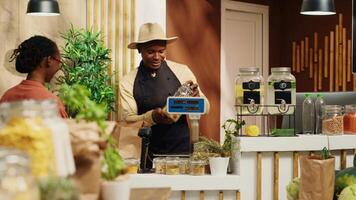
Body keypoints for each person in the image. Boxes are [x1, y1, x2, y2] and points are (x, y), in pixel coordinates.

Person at [120, 23, 210, 157]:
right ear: (139, 50)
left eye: (161, 51)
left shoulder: (182, 71)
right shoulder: (127, 81)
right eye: (150, 52)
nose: (157, 57)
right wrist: (152, 117)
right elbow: (128, 121)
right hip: (145, 153)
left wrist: (197, 100)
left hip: (181, 150)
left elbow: (206, 108)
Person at [0, 35, 68, 118]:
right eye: (59, 62)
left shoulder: (7, 97)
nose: (59, 67)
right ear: (49, 60)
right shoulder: (53, 104)